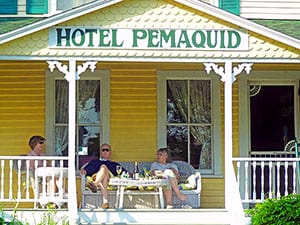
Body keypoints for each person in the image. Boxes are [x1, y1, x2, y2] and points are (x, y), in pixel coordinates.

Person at [80, 143, 126, 209]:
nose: (105, 151)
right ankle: (105, 202)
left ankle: (94, 185)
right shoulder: (94, 162)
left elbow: (125, 173)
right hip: (97, 178)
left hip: (109, 179)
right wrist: (83, 170)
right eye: (103, 150)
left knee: (103, 167)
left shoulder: (114, 164)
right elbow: (85, 170)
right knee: (103, 176)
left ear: (110, 153)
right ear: (100, 152)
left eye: (107, 150)